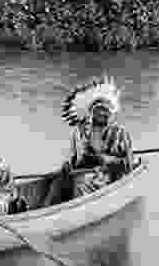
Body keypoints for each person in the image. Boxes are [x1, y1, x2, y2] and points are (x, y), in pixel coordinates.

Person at [44, 76, 135, 205]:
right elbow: (73, 156)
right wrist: (68, 164)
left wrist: (105, 160)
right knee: (57, 182)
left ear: (111, 113)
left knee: (81, 183)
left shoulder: (120, 133)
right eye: (99, 110)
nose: (103, 114)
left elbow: (128, 163)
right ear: (92, 113)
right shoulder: (81, 132)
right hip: (81, 171)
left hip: (106, 175)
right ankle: (46, 208)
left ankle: (79, 211)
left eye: (106, 111)